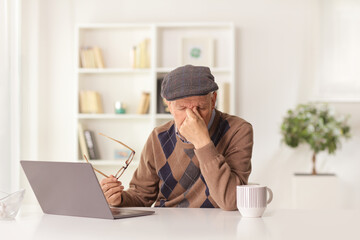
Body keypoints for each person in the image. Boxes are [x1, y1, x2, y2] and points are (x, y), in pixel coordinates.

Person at [100, 65, 253, 210]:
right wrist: (118, 199)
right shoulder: (158, 137)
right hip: (166, 227)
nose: (192, 116)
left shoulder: (238, 131)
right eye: (182, 108)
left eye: (201, 107)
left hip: (219, 227)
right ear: (169, 105)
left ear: (213, 100)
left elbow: (230, 201)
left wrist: (202, 142)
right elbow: (141, 196)